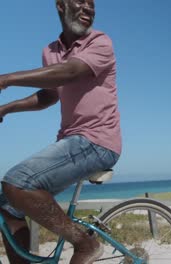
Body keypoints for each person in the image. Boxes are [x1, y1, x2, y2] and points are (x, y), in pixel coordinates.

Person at [0, 0, 121, 263]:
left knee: (16, 181)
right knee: (8, 207)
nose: (88, 8)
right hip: (71, 141)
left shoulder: (100, 43)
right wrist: (6, 109)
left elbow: (68, 72)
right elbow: (50, 94)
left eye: (92, 4)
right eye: (81, 1)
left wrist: (7, 79)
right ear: (60, 5)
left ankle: (85, 244)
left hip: (97, 142)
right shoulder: (50, 51)